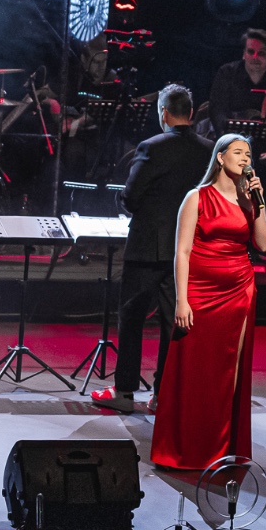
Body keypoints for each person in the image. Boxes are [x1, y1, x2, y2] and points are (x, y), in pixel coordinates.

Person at [149, 134, 266, 470]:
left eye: (248, 154)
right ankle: (186, 448)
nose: (245, 158)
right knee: (194, 370)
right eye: (238, 152)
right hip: (201, 293)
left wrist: (259, 204)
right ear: (220, 157)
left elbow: (264, 244)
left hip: (240, 291)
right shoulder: (197, 197)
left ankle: (222, 449)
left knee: (229, 372)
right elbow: (182, 252)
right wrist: (182, 300)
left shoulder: (250, 199)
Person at [91, 85, 213, 413]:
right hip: (186, 250)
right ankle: (163, 396)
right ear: (191, 113)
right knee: (173, 324)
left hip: (146, 248)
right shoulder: (209, 150)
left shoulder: (151, 147)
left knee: (131, 318)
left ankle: (124, 393)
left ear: (163, 113)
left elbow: (130, 197)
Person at [207, 29, 266, 194]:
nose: (255, 57)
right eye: (251, 51)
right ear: (244, 54)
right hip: (231, 144)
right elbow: (217, 111)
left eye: (261, 53)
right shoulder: (227, 74)